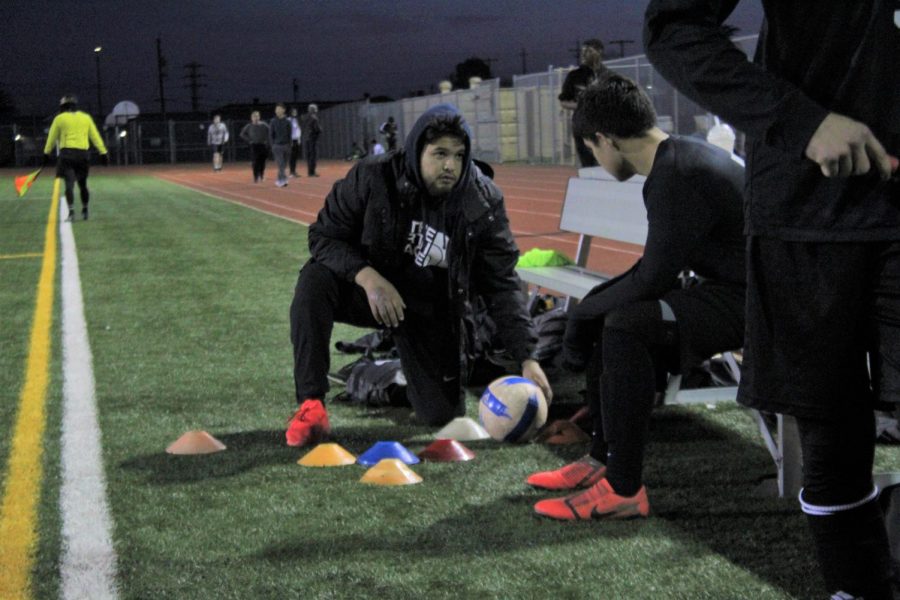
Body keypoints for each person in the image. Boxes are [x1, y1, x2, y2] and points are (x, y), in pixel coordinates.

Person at [644, 3, 900, 599]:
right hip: (809, 206)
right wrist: (801, 122)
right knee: (830, 430)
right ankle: (857, 589)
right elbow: (673, 28)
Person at [526, 75, 746, 521]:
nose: (596, 158)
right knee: (615, 315)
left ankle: (624, 488)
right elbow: (654, 271)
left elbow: (652, 278)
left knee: (626, 323)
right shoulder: (677, 159)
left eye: (592, 149)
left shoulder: (676, 174)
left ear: (604, 139)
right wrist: (590, 310)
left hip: (761, 304)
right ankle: (602, 459)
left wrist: (584, 314)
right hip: (735, 289)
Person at [286, 103, 552, 447]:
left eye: (458, 155)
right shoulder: (373, 177)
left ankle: (384, 374)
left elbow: (502, 284)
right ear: (416, 150)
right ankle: (311, 404)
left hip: (431, 309)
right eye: (440, 153)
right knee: (314, 281)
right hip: (373, 295)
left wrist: (527, 356)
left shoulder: (482, 200)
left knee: (440, 416)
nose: (450, 165)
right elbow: (323, 236)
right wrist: (367, 277)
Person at [42, 94, 109, 221]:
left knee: (69, 185)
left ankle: (71, 212)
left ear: (62, 106)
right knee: (83, 184)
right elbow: (95, 136)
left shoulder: (59, 118)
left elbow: (51, 137)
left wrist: (46, 153)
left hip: (67, 155)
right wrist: (103, 152)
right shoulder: (86, 118)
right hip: (83, 155)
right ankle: (85, 210)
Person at [558, 38, 609, 168]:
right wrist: (582, 105)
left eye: (589, 50)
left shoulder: (607, 76)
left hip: (604, 127)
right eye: (583, 51)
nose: (584, 54)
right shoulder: (574, 76)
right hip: (583, 126)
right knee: (588, 166)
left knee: (606, 165)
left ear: (599, 52)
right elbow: (564, 101)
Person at [239, 111, 269, 183]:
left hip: (263, 145)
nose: (256, 118)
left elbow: (270, 132)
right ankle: (255, 177)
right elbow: (242, 134)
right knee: (255, 162)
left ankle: (261, 176)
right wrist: (249, 140)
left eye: (257, 116)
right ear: (251, 118)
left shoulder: (264, 125)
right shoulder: (249, 126)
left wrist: (267, 140)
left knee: (262, 162)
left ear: (259, 117)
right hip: (254, 145)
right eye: (254, 116)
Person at [269, 103, 292, 187]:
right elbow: (271, 135)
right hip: (277, 146)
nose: (277, 111)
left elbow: (290, 134)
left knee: (284, 165)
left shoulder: (288, 122)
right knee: (281, 164)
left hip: (286, 146)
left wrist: (290, 145)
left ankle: (279, 179)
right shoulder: (273, 121)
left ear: (283, 110)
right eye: (276, 109)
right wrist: (272, 145)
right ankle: (283, 180)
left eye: (279, 109)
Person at [301, 103, 321, 177]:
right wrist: (320, 130)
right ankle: (312, 172)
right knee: (313, 156)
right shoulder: (314, 118)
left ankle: (309, 172)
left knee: (309, 156)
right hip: (312, 138)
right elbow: (317, 129)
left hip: (306, 139)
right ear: (314, 110)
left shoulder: (304, 117)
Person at [289, 107, 302, 178]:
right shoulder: (289, 120)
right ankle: (291, 172)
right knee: (292, 156)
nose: (295, 113)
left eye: (295, 112)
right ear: (291, 112)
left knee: (295, 156)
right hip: (291, 140)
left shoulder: (295, 120)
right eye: (294, 112)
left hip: (296, 140)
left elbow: (298, 130)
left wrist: (299, 138)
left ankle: (294, 171)